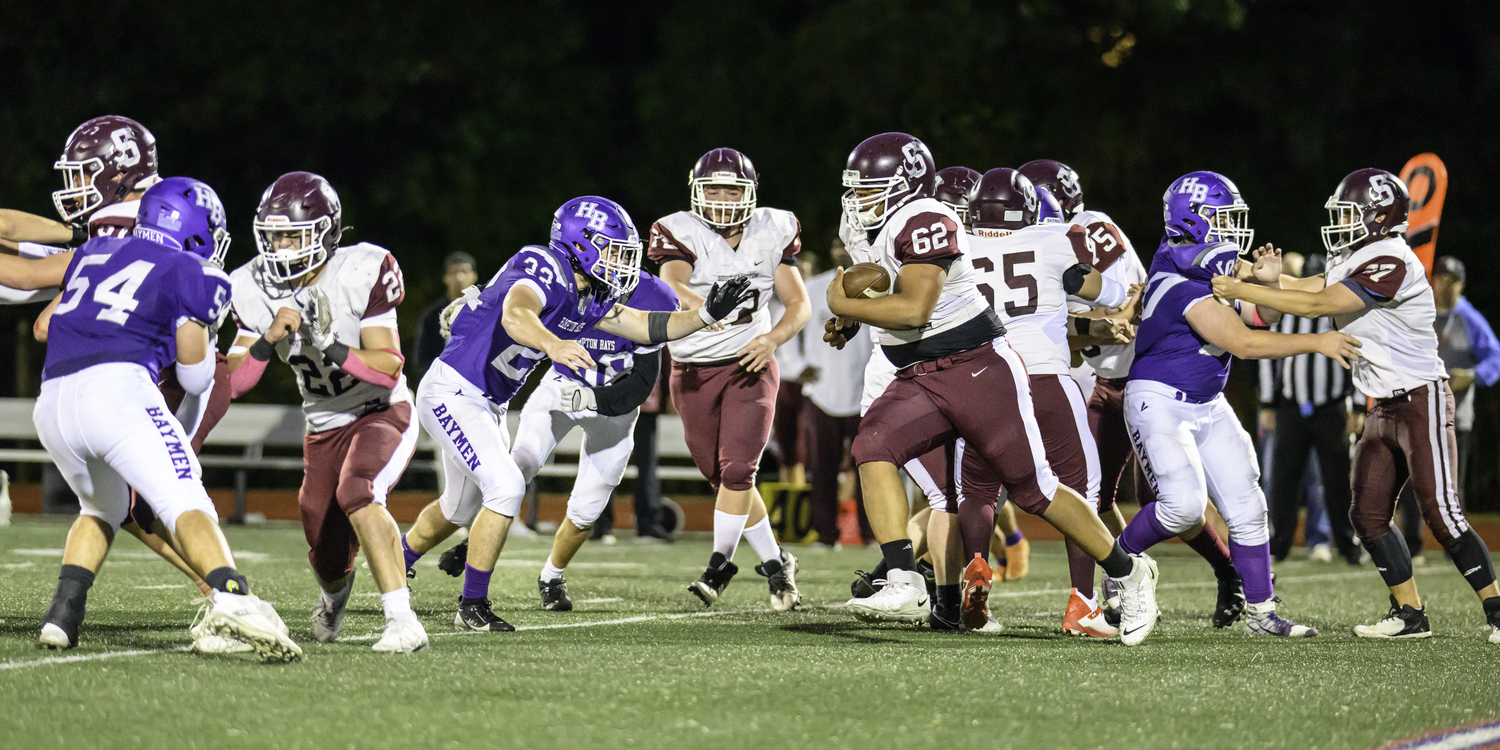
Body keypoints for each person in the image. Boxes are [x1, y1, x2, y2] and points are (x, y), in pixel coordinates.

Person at [825, 132, 1157, 638]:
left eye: (871, 188)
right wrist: (853, 319)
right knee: (872, 445)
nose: (858, 200)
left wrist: (843, 305)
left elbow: (914, 308)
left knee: (1035, 490)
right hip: (919, 371)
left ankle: (1128, 573)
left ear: (906, 185)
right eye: (856, 188)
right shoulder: (876, 227)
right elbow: (885, 288)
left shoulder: (926, 220)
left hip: (975, 368)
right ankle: (902, 578)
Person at [398, 196, 753, 630]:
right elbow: (516, 313)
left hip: (487, 401)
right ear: (581, 244)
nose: (621, 261)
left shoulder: (592, 294)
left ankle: (396, 561)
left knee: (458, 507)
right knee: (507, 485)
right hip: (453, 389)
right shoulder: (542, 264)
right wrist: (552, 344)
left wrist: (706, 314)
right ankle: (471, 606)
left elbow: (644, 327)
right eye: (613, 249)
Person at [1215, 168, 1500, 643]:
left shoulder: (1392, 258)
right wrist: (1259, 276)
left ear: (1378, 216)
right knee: (1366, 514)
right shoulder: (1361, 255)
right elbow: (1308, 289)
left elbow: (1319, 304)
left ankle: (1496, 610)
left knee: (1442, 514)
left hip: (1421, 397)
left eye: (1349, 212)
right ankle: (1409, 613)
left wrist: (1241, 291)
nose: (1341, 221)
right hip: (1382, 405)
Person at [29, 177, 300, 661]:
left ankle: (61, 616)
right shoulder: (194, 271)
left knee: (101, 509)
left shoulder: (97, 250)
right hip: (117, 392)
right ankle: (234, 598)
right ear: (198, 231)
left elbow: (44, 321)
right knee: (185, 495)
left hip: (52, 400)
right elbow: (197, 380)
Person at [1118, 171, 1356, 643]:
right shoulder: (1177, 275)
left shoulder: (1204, 267)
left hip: (1206, 403)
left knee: (1248, 504)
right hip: (1159, 402)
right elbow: (1244, 343)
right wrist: (1319, 341)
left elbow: (1261, 312)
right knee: (1184, 507)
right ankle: (1120, 567)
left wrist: (1272, 285)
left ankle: (1262, 612)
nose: (1231, 228)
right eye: (1222, 218)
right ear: (1194, 219)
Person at [1022, 158, 1244, 629]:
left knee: (1162, 499)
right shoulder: (1040, 250)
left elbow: (1130, 301)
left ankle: (1227, 571)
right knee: (1092, 492)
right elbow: (1074, 333)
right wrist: (1089, 330)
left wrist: (1100, 322)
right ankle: (1121, 582)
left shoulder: (1088, 230)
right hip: (1101, 380)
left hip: (1145, 377)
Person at [226, 171, 426, 654]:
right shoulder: (249, 286)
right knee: (323, 542)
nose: (280, 247)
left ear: (326, 232)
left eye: (292, 235)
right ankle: (334, 598)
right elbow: (232, 382)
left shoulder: (362, 269)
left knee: (359, 490)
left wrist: (329, 344)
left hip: (382, 409)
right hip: (321, 423)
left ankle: (402, 619)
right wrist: (269, 339)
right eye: (273, 235)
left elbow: (387, 366)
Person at [964, 166, 1140, 637]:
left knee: (978, 490)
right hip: (1043, 376)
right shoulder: (1052, 238)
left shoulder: (959, 243)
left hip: (982, 379)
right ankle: (1082, 603)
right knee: (1079, 487)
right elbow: (1108, 286)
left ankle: (975, 580)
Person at [648, 147, 810, 610]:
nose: (721, 197)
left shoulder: (772, 229)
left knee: (740, 470)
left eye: (731, 188)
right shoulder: (679, 230)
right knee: (722, 478)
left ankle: (719, 565)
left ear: (750, 193)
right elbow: (673, 284)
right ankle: (778, 565)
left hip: (748, 364)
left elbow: (798, 305)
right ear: (696, 192)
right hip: (692, 370)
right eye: (713, 188)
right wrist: (702, 307)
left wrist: (772, 340)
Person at [509, 270, 679, 610]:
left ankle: (552, 576)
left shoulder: (652, 295)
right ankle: (475, 544)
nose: (616, 263)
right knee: (520, 463)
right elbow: (518, 304)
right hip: (562, 385)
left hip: (614, 406)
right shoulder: (565, 278)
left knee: (587, 509)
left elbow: (641, 386)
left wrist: (592, 400)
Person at [1257, 251, 1360, 565]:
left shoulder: (1340, 312)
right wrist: (1267, 403)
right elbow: (1268, 354)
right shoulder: (1285, 312)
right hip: (1291, 407)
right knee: (1283, 482)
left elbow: (1358, 357)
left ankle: (1346, 543)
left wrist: (1358, 406)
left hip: (1331, 407)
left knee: (1337, 480)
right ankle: (1280, 544)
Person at [801, 246, 875, 548]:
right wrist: (796, 367)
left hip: (866, 392)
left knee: (873, 468)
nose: (842, 250)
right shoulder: (815, 287)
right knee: (822, 467)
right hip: (822, 391)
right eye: (837, 245)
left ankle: (875, 535)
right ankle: (825, 534)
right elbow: (793, 329)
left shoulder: (876, 287)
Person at [413, 252, 479, 379]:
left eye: (464, 271)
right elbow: (421, 362)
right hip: (444, 388)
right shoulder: (432, 316)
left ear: (474, 276)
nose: (459, 277)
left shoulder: (485, 311)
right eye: (454, 272)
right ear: (446, 277)